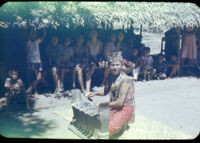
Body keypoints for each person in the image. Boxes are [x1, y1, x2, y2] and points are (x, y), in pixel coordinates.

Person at [88, 51, 135, 137]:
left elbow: (120, 103)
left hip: (125, 107)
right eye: (112, 65)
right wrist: (95, 93)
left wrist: (101, 104)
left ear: (121, 65)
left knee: (107, 129)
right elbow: (106, 91)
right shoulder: (110, 76)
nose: (115, 67)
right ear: (109, 66)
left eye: (117, 65)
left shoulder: (125, 80)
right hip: (114, 105)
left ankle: (122, 123)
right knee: (95, 121)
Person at [25, 29, 46, 96]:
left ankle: (29, 89)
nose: (34, 35)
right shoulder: (28, 42)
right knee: (32, 77)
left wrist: (44, 29)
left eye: (35, 34)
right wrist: (31, 28)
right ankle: (34, 91)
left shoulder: (37, 41)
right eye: (32, 34)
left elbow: (43, 36)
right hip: (31, 61)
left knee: (39, 77)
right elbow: (29, 36)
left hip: (38, 61)